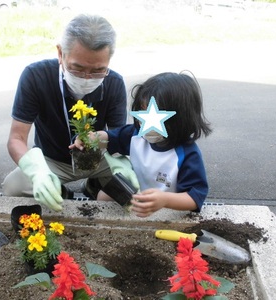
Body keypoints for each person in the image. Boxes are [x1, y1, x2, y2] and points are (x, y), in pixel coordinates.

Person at [2, 14, 128, 211]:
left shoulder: (114, 83)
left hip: (98, 158)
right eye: (77, 69)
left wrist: (125, 173)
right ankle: (60, 191)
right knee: (13, 188)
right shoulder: (36, 76)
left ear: (109, 60)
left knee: (134, 185)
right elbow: (16, 138)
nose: (87, 78)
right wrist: (37, 173)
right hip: (51, 160)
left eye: (97, 71)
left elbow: (118, 138)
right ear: (60, 53)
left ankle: (94, 186)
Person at [70, 72, 212, 217]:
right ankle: (93, 190)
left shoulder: (187, 154)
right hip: (136, 195)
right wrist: (90, 138)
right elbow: (109, 138)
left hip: (169, 207)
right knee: (104, 196)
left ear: (181, 118)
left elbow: (195, 197)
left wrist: (165, 200)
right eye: (143, 113)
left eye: (155, 117)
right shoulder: (136, 134)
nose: (145, 123)